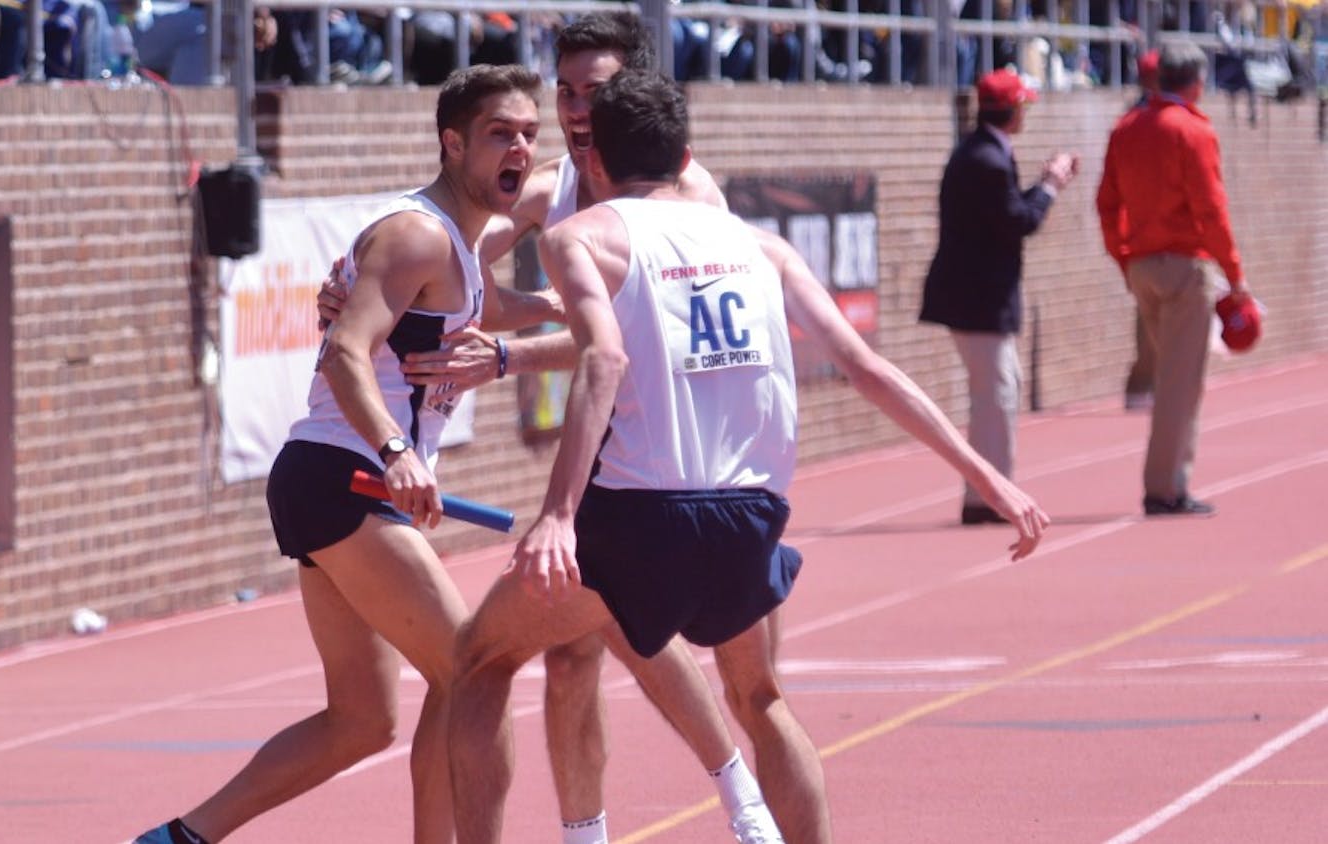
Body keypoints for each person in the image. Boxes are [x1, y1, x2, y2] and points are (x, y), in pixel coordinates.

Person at [447, 69, 1050, 844]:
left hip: (641, 518)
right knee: (760, 699)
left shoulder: (580, 237)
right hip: (749, 517)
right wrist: (985, 473)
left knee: (478, 661)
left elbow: (602, 362)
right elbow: (867, 368)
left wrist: (558, 515)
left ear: (592, 165)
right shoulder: (761, 245)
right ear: (688, 155)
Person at [320, 13, 781, 844]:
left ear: (632, 92)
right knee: (574, 648)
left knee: (663, 644)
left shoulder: (687, 195)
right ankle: (601, 830)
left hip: (685, 449)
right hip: (604, 446)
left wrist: (508, 358)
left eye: (592, 92)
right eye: (564, 91)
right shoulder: (551, 186)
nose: (573, 109)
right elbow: (448, 253)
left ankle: (742, 795)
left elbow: (631, 346)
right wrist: (359, 280)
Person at [131, 63, 543, 844]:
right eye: (500, 134)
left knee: (360, 721)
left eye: (529, 133)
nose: (519, 149)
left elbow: (504, 305)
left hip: (341, 482)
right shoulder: (418, 233)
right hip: (344, 474)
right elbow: (345, 352)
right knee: (474, 670)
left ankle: (178, 840)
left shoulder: (460, 240)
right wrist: (397, 449)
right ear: (452, 144)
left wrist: (585, 305)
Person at [1096, 42, 1256, 516]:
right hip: (1184, 265)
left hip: (1143, 264)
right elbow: (1211, 209)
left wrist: (1124, 257)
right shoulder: (1193, 131)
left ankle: (1167, 481)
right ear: (1196, 82)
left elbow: (1107, 203)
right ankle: (1165, 487)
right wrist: (1235, 274)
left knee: (1172, 376)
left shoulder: (1127, 129)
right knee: (1180, 384)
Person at [918, 69, 1078, 526]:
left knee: (997, 393)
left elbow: (1006, 212)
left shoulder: (982, 153)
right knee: (996, 396)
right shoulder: (985, 158)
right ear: (1011, 111)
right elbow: (1018, 221)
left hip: (977, 296)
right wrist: (1050, 186)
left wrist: (1043, 184)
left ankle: (989, 492)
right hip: (978, 298)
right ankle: (989, 496)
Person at [1121, 49, 1160, 411]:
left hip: (1153, 230)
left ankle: (1153, 385)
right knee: (1149, 314)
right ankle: (1142, 386)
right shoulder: (1136, 122)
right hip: (1145, 232)